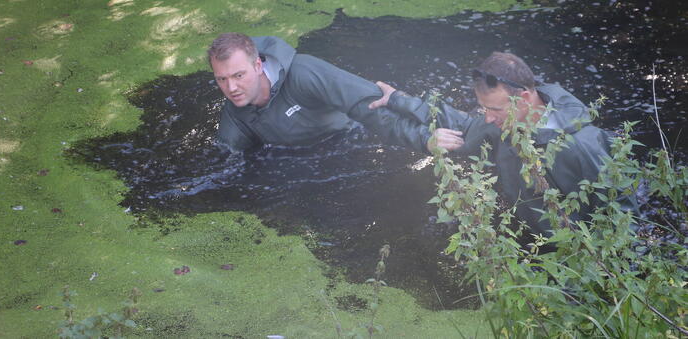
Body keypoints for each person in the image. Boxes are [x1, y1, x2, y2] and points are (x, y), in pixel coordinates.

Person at [369, 51, 630, 235]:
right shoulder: (505, 119)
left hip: (571, 254)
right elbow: (467, 127)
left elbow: (624, 218)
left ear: (525, 97)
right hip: (529, 239)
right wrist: (399, 100)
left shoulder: (582, 145)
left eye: (494, 109)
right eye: (484, 108)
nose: (487, 117)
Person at [207, 32, 444, 153]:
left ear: (258, 65)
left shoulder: (304, 73)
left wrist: (424, 139)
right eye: (222, 79)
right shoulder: (234, 113)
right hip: (296, 161)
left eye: (238, 75)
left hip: (350, 142)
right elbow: (229, 160)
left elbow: (370, 108)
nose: (231, 88)